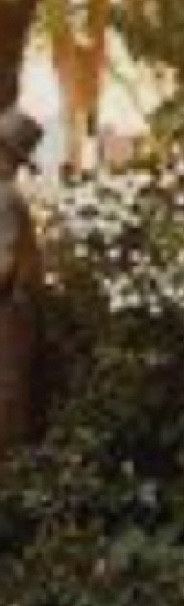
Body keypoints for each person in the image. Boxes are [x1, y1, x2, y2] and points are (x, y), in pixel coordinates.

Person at [0, 107, 45, 457]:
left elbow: (4, 265)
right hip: (15, 313)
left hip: (8, 316)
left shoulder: (5, 198)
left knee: (8, 398)